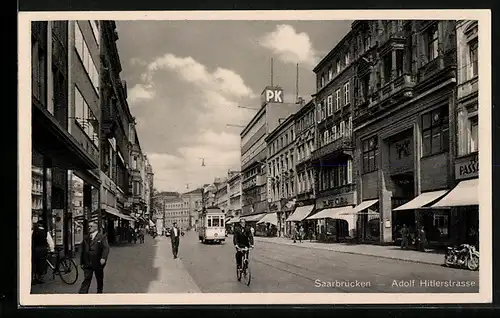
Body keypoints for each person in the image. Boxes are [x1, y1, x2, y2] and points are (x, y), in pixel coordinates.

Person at [79, 221, 110, 294]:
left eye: (91, 226)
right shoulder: (86, 237)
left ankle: (99, 294)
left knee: (99, 279)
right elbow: (82, 251)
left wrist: (103, 258)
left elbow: (106, 248)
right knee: (87, 279)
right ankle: (82, 296)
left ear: (96, 228)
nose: (89, 228)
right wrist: (81, 262)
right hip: (87, 262)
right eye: (89, 226)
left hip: (97, 262)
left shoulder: (102, 237)